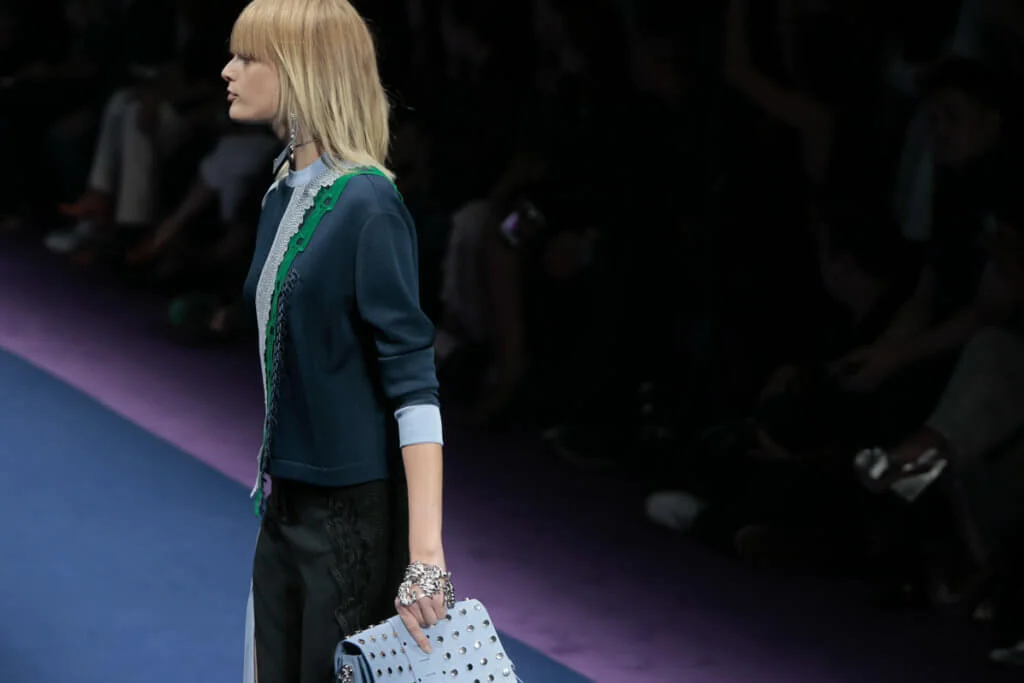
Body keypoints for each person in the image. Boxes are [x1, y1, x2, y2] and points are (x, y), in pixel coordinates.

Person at [221, 2, 450, 681]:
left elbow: (413, 383)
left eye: (248, 57)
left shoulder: (367, 204)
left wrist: (425, 557)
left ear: (303, 70)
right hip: (283, 503)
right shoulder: (279, 195)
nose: (228, 70)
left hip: (350, 520)